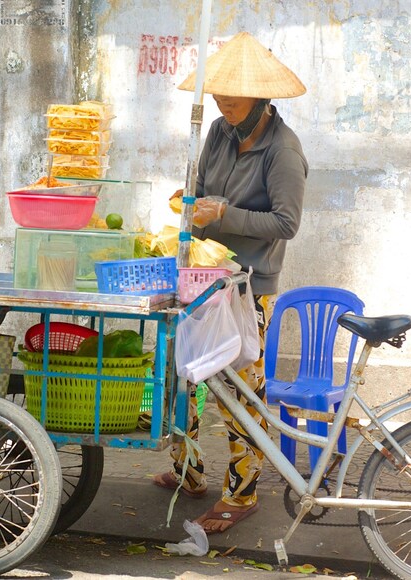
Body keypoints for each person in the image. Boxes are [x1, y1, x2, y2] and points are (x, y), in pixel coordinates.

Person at [152, 32, 308, 534]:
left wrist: (225, 214)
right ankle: (189, 471)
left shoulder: (283, 150)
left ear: (261, 96)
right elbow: (202, 189)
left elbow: (286, 223)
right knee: (182, 373)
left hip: (250, 287)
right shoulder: (219, 132)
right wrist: (190, 200)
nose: (223, 100)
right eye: (218, 91)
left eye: (233, 94)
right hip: (204, 275)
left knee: (239, 390)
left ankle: (242, 495)